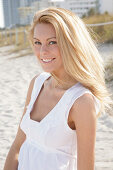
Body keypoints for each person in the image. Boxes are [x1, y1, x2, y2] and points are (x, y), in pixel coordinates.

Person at [4, 7, 111, 170]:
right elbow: (18, 146)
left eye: (52, 42)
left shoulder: (82, 102)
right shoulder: (37, 83)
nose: (42, 51)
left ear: (71, 44)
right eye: (37, 42)